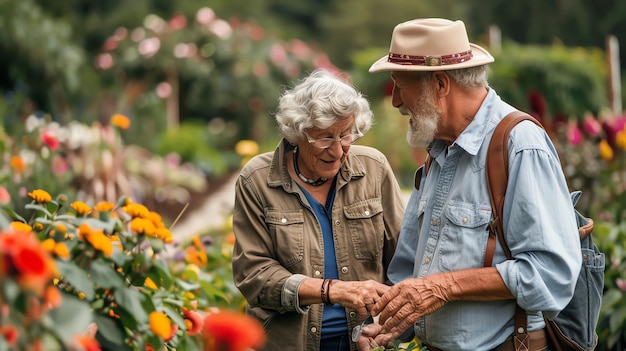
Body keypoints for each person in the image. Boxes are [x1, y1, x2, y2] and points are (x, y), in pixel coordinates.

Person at [358, 18, 582, 351]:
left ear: (440, 84)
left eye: (400, 84)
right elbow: (409, 274)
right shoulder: (438, 150)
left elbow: (552, 273)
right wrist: (385, 326)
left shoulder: (519, 144)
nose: (395, 102)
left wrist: (444, 286)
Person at [231, 68, 405, 351]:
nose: (337, 151)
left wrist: (382, 325)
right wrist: (332, 290)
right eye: (324, 138)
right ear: (297, 133)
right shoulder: (258, 180)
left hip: (365, 341)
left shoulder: (374, 169)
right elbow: (254, 275)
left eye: (346, 135)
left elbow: (402, 259)